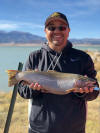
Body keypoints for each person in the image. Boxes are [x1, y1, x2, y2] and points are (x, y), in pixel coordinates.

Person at [18, 12, 99, 133]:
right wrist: (33, 89)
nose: (57, 31)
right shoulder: (34, 57)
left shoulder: (83, 58)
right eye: (51, 27)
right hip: (39, 130)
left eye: (62, 27)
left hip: (75, 130)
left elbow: (96, 90)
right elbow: (22, 91)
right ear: (45, 31)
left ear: (68, 30)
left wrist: (85, 93)